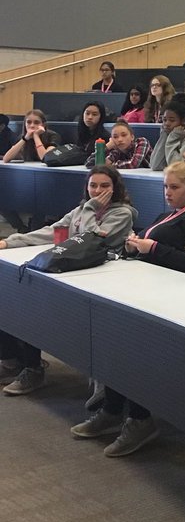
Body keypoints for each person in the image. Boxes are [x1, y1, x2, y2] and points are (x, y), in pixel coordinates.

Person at [71, 161, 185, 456]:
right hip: (146, 288)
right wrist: (134, 245)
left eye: (174, 187)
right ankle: (112, 410)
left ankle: (139, 419)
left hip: (175, 299)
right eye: (165, 186)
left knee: (132, 350)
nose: (168, 193)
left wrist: (152, 249)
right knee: (113, 341)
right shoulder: (168, 215)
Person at [0, 167, 136, 396]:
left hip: (103, 277)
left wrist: (91, 208)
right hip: (69, 270)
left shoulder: (123, 213)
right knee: (21, 297)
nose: (98, 191)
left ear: (116, 189)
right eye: (93, 185)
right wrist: (11, 242)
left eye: (105, 186)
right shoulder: (80, 210)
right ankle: (26, 364)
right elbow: (51, 231)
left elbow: (92, 239)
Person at [86, 119, 151, 169]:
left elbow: (133, 164)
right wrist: (107, 146)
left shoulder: (142, 142)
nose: (120, 139)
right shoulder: (117, 151)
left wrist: (109, 166)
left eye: (124, 135)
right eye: (115, 137)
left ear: (132, 137)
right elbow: (89, 163)